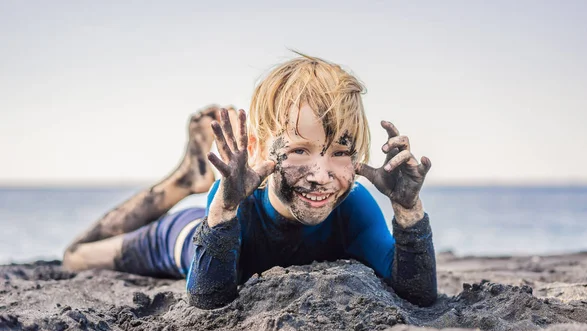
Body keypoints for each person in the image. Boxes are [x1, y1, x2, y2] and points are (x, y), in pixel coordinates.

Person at [63, 54, 437, 310]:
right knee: (76, 257)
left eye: (340, 152)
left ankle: (189, 177)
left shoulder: (354, 207)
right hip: (187, 235)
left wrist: (408, 210)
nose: (321, 176)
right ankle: (183, 180)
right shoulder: (232, 201)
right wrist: (224, 209)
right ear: (259, 150)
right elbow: (207, 298)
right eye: (299, 151)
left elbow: (417, 293)